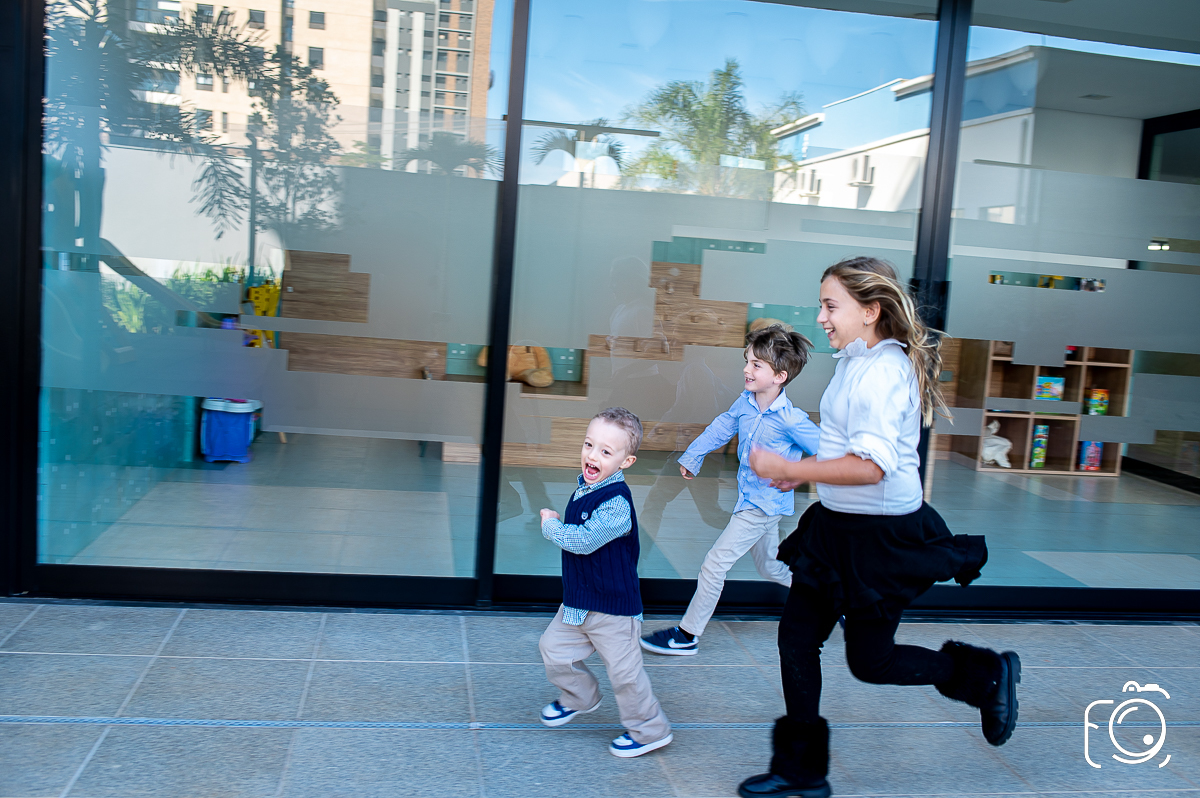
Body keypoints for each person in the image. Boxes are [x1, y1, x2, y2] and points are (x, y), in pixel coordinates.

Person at [737, 258, 1017, 798]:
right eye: (821, 303)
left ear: (870, 311)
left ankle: (985, 678)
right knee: (796, 639)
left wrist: (791, 469)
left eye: (830, 305)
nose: (820, 316)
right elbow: (846, 446)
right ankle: (802, 774)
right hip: (838, 527)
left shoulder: (884, 371)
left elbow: (872, 467)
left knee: (871, 661)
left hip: (881, 540)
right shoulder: (853, 359)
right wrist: (806, 475)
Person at [641, 325, 819, 657]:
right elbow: (722, 425)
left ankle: (687, 634)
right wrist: (693, 456)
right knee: (769, 567)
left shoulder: (792, 420)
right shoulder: (746, 402)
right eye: (747, 361)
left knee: (714, 563)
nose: (746, 369)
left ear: (779, 376)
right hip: (752, 501)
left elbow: (830, 452)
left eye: (756, 365)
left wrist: (795, 474)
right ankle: (830, 596)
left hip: (762, 506)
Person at [537, 407, 673, 758]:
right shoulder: (586, 487)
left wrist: (551, 526)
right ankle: (581, 696)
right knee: (553, 649)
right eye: (588, 444)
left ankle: (649, 730)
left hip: (614, 609)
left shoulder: (617, 504)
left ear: (626, 462)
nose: (592, 455)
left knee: (626, 675)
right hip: (579, 602)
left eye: (605, 451)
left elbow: (583, 541)